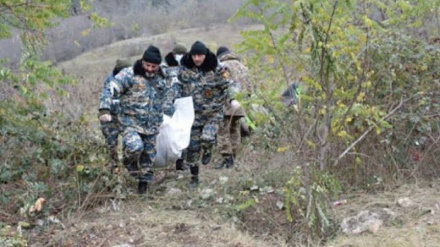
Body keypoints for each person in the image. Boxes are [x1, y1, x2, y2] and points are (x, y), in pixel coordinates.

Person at [99, 45, 174, 194]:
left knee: (149, 158)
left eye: (154, 66)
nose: (150, 69)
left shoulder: (163, 78)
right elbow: (111, 88)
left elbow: (169, 95)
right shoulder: (129, 74)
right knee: (135, 147)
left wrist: (170, 114)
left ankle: (143, 188)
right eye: (147, 65)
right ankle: (128, 161)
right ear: (142, 62)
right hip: (130, 122)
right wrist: (104, 109)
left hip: (152, 125)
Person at [176, 41, 230, 187]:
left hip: (212, 113)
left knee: (207, 137)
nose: (197, 59)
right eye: (194, 56)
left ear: (205, 55)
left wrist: (234, 98)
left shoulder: (217, 69)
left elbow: (230, 85)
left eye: (200, 55)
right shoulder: (184, 69)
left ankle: (207, 149)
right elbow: (176, 86)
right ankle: (194, 178)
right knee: (192, 149)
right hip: (192, 115)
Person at [215, 46, 250, 169]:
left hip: (227, 104)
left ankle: (227, 159)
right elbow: (250, 88)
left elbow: (222, 85)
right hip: (241, 104)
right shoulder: (243, 67)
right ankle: (234, 155)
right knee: (235, 129)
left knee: (223, 131)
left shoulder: (223, 67)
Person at [99, 59, 132, 171]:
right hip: (110, 118)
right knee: (111, 145)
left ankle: (129, 167)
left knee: (129, 143)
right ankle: (115, 168)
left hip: (126, 117)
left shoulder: (133, 79)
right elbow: (105, 96)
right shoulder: (110, 80)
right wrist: (104, 111)